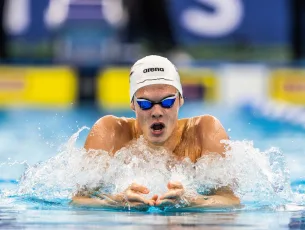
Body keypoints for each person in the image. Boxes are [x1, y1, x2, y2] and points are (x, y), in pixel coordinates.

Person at [72, 55, 240, 209]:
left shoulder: (205, 131)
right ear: (133, 104)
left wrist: (193, 202)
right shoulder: (110, 132)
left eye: (167, 102)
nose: (157, 111)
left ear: (180, 100)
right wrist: (116, 202)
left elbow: (231, 201)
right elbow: (79, 201)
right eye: (146, 104)